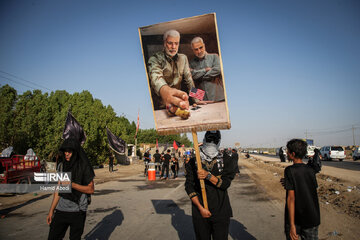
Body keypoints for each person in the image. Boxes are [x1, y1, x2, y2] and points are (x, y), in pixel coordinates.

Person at [185, 131, 236, 240]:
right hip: (200, 212)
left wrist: (208, 176)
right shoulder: (194, 161)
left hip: (221, 211)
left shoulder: (226, 159)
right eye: (209, 140)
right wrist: (201, 208)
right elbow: (189, 186)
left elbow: (225, 184)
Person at [47, 138, 95, 240]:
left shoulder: (84, 167)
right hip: (61, 210)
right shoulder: (62, 166)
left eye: (69, 151)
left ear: (75, 152)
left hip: (78, 211)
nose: (66, 154)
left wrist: (72, 185)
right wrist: (51, 210)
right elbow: (58, 189)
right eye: (65, 151)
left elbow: (91, 189)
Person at [148, 29, 200, 110]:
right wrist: (166, 93)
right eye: (170, 43)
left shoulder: (183, 58)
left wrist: (198, 98)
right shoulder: (154, 59)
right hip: (160, 106)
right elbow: (156, 79)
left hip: (178, 103)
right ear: (165, 43)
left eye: (176, 43)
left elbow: (189, 80)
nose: (173, 47)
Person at [282, 139, 320, 240]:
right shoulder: (311, 170)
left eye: (287, 151)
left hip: (296, 218)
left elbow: (291, 199)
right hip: (312, 217)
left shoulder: (289, 170)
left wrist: (292, 225)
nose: (286, 153)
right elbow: (307, 186)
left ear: (293, 154)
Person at [190, 37, 225, 103]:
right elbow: (191, 77)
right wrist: (205, 70)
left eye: (201, 48)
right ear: (193, 50)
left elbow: (218, 70)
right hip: (202, 99)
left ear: (204, 46)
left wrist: (199, 76)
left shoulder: (215, 56)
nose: (199, 51)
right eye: (196, 49)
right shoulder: (191, 63)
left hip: (219, 97)